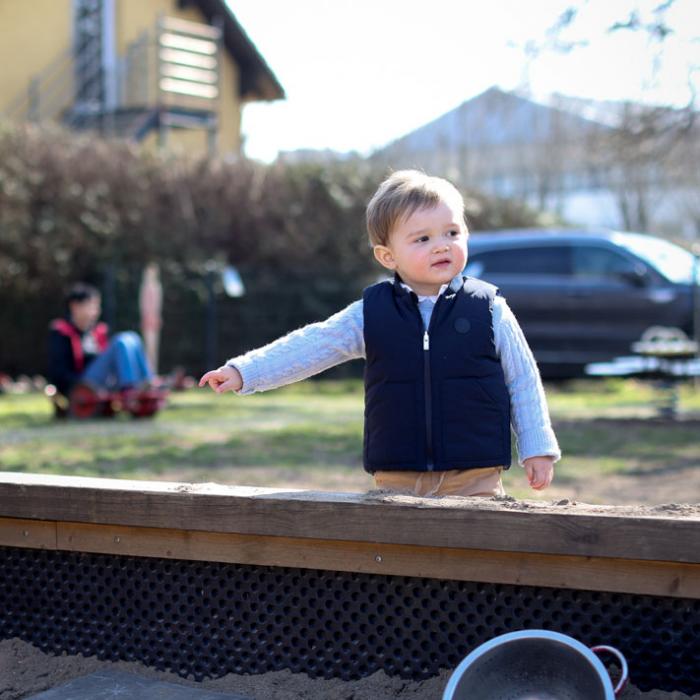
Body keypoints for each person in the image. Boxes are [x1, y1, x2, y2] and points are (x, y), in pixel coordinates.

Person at [199, 170, 560, 497]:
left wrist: (537, 447)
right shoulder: (372, 313)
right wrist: (246, 371)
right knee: (398, 559)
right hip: (397, 476)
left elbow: (522, 379)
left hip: (475, 474)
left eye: (452, 232)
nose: (441, 245)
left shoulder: (488, 308)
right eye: (422, 239)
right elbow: (313, 344)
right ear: (388, 256)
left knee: (473, 559)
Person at [48, 282, 153, 398]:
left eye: (97, 306)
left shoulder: (96, 332)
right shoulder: (61, 332)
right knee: (120, 342)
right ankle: (128, 389)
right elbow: (59, 373)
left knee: (133, 338)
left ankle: (148, 384)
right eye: (92, 306)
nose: (96, 311)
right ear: (75, 306)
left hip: (103, 381)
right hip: (81, 384)